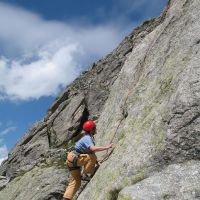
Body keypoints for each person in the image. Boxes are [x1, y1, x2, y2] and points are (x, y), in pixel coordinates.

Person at [63, 120, 113, 200]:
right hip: (74, 157)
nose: (96, 129)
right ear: (91, 130)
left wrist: (97, 162)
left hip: (71, 160)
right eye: (94, 128)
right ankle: (84, 175)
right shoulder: (87, 138)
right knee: (92, 157)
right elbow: (92, 150)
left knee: (76, 181)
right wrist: (106, 147)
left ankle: (67, 198)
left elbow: (88, 152)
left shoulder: (87, 137)